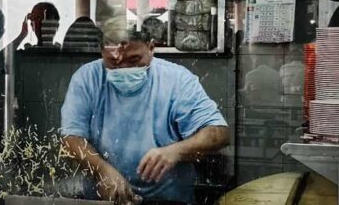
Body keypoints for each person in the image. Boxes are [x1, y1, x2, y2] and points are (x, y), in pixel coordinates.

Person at [60, 18, 229, 205]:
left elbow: (219, 133)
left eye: (134, 60)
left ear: (151, 48)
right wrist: (101, 170)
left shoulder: (176, 80)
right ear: (102, 52)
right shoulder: (87, 79)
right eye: (114, 62)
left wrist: (176, 151)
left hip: (167, 200)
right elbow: (71, 137)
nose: (124, 68)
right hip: (104, 199)